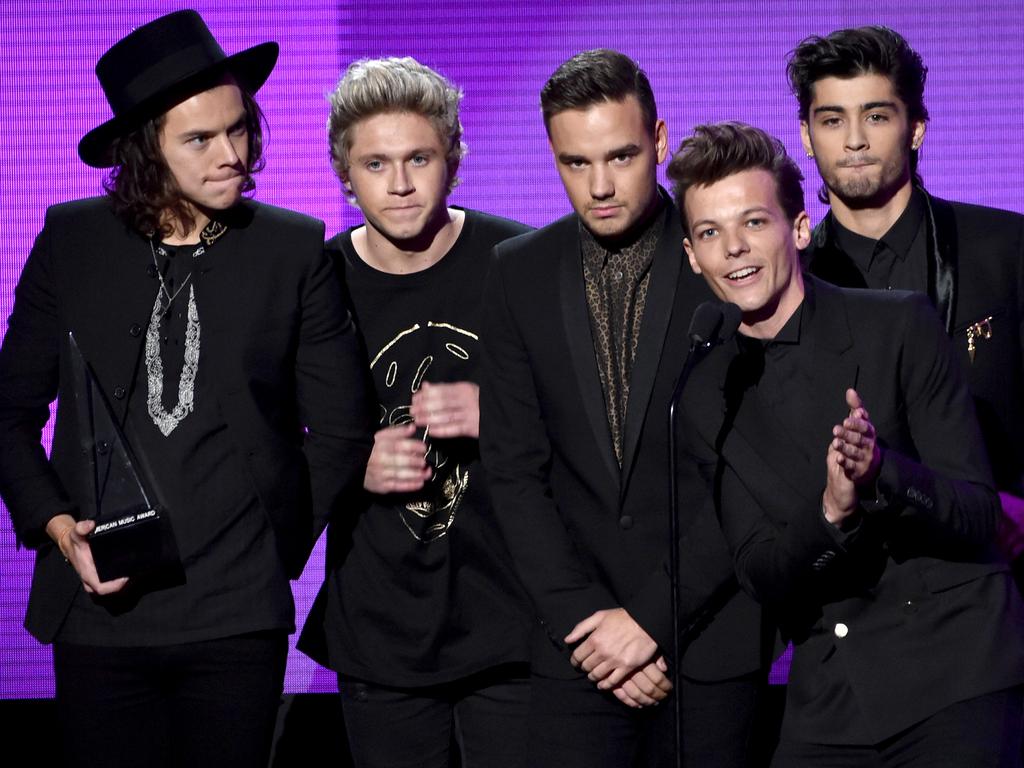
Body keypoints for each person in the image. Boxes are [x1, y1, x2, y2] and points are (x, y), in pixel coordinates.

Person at [0, 11, 372, 767]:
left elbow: (340, 428)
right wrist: (56, 526)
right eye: (200, 140)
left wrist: (276, 546)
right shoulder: (73, 242)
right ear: (146, 151)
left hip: (236, 614)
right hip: (101, 613)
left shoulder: (291, 249)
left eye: (239, 129)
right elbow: (7, 414)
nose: (233, 155)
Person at [669, 120, 1024, 766]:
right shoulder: (706, 391)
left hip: (955, 668)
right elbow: (762, 571)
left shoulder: (897, 326)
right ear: (692, 256)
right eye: (710, 234)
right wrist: (832, 511)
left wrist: (882, 472)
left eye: (753, 223)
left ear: (799, 229)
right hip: (832, 692)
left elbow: (978, 511)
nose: (734, 251)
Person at [479, 49, 768, 767]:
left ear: (661, 142)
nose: (600, 185)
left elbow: (750, 470)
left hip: (709, 638)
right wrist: (586, 620)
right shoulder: (518, 270)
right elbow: (513, 469)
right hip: (577, 648)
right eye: (575, 163)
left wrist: (650, 621)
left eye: (621, 155)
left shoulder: (729, 260)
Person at [297, 57, 533, 768]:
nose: (399, 183)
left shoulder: (518, 262)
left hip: (512, 615)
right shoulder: (317, 281)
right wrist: (345, 457)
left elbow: (596, 421)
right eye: (376, 163)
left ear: (453, 161)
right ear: (346, 172)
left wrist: (500, 413)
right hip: (381, 623)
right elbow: (267, 431)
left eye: (419, 158)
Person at [787, 25, 1024, 578]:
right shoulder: (791, 284)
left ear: (915, 128)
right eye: (831, 120)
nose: (853, 141)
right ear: (805, 135)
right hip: (857, 596)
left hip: (1001, 582)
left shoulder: (1005, 250)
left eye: (875, 116)